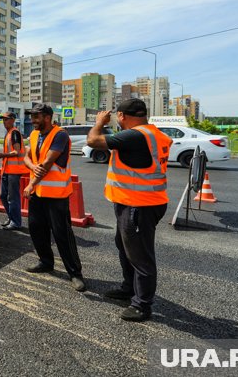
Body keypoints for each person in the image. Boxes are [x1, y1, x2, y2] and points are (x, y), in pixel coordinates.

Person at [87, 98, 172, 322]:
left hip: (139, 205)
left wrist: (99, 122)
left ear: (122, 116)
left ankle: (142, 305)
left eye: (117, 117)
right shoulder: (153, 134)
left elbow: (93, 140)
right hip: (137, 202)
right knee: (125, 248)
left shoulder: (135, 135)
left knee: (141, 256)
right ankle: (129, 289)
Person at [22, 104, 86, 292]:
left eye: (36, 116)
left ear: (47, 117)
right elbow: (26, 157)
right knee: (36, 229)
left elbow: (48, 163)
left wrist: (31, 183)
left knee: (62, 235)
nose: (32, 120)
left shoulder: (60, 135)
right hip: (38, 194)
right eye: (32, 116)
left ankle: (75, 273)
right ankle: (45, 261)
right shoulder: (33, 135)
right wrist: (32, 168)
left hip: (56, 195)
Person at [0, 111, 28, 230]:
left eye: (6, 119)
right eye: (3, 119)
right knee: (3, 196)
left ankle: (16, 222)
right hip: (7, 170)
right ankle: (11, 217)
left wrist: (1, 155)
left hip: (14, 171)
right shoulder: (8, 134)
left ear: (12, 120)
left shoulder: (14, 133)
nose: (4, 121)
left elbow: (16, 152)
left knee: (13, 197)